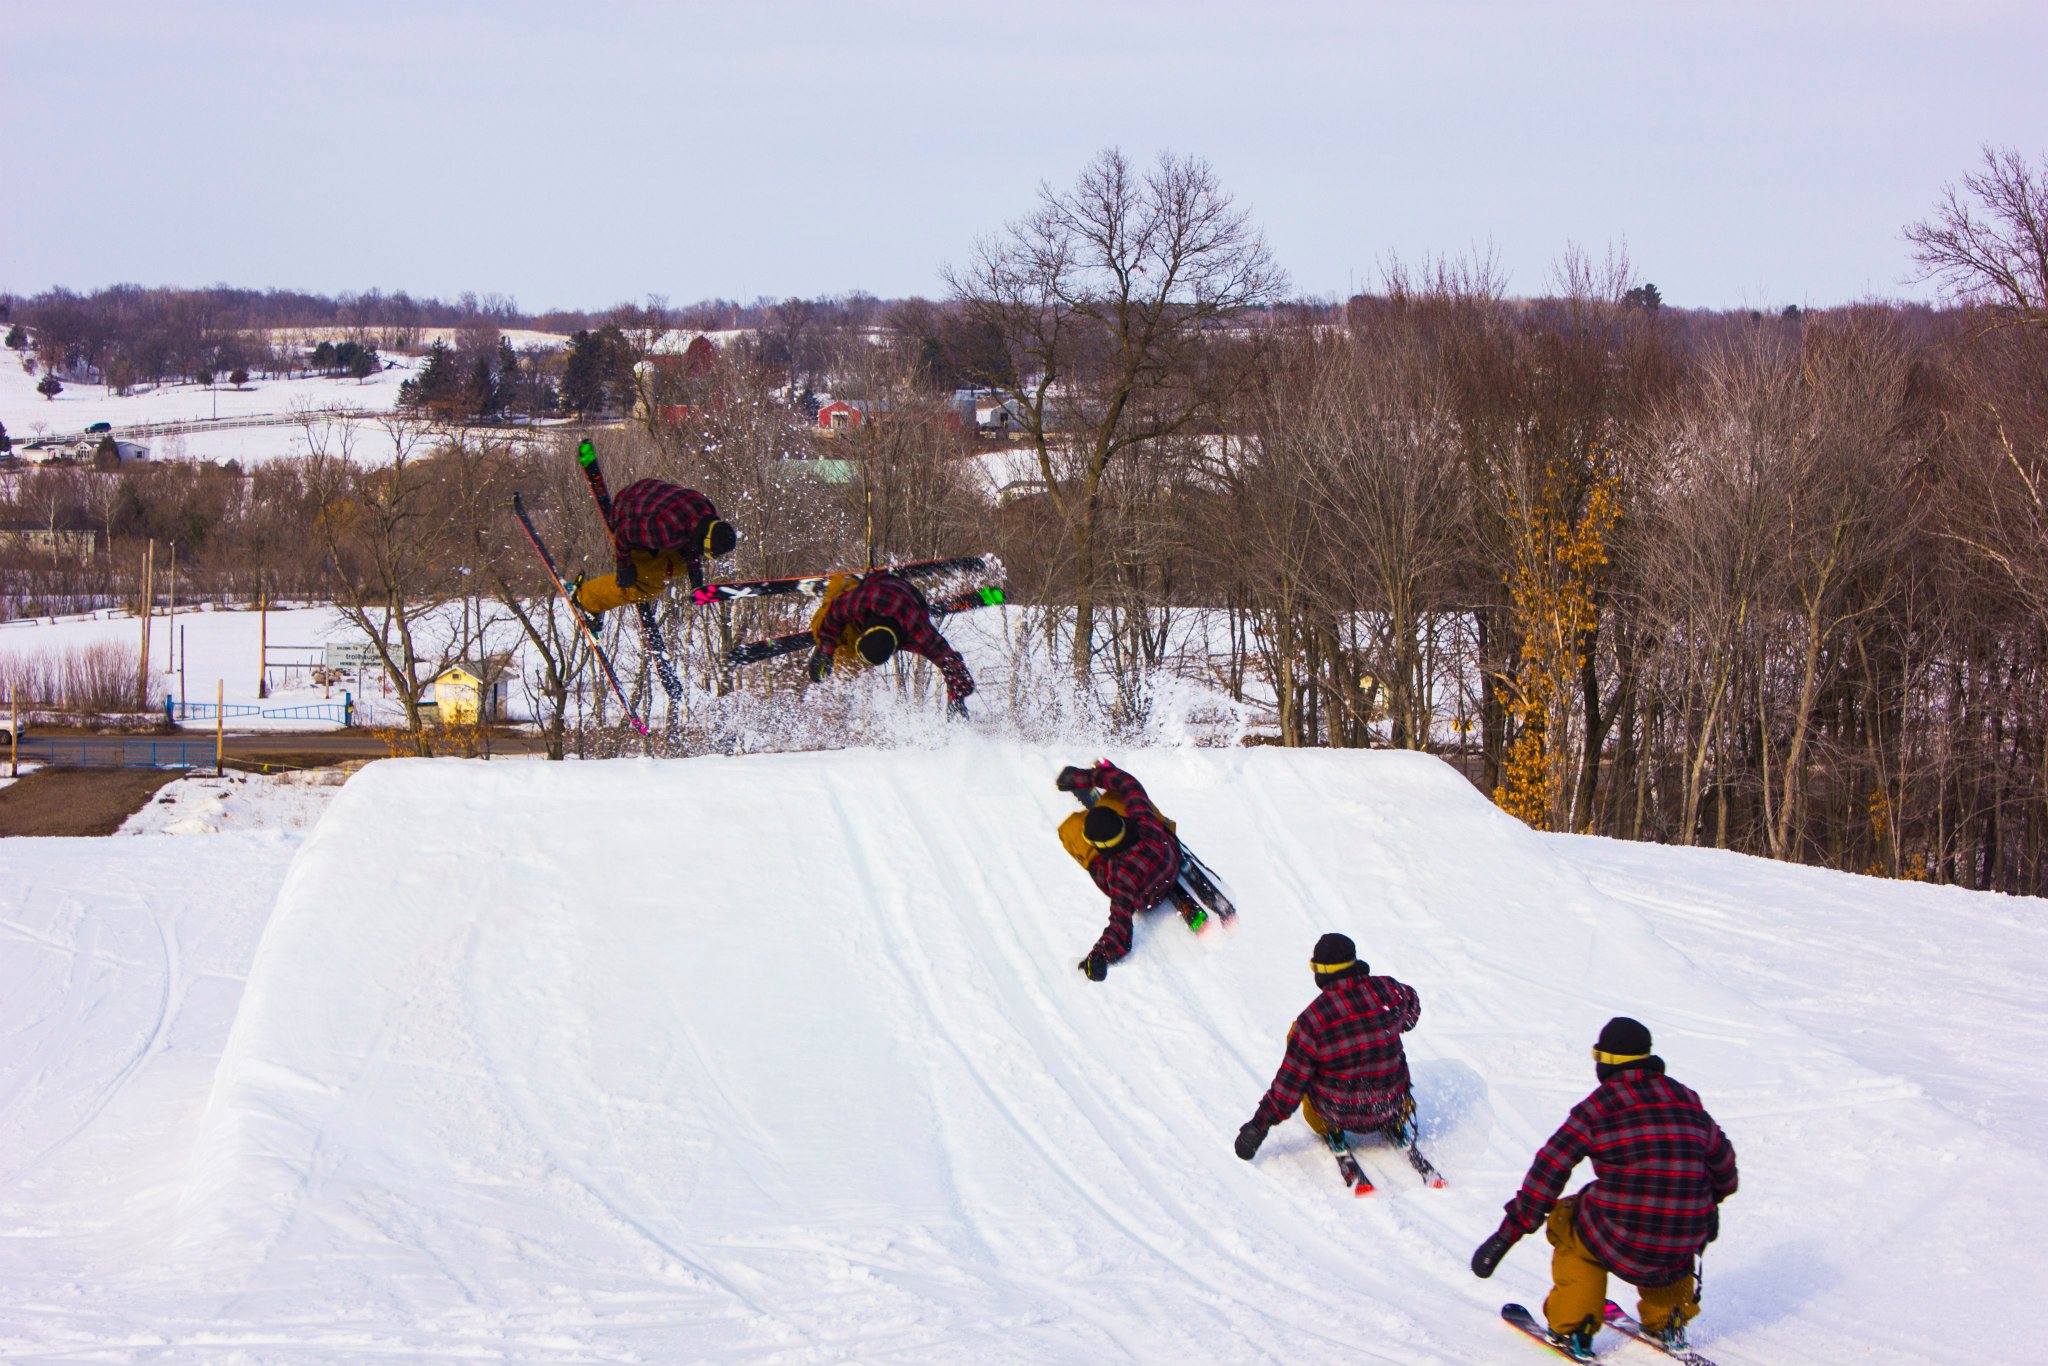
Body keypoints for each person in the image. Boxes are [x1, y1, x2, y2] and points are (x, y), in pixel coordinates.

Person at [1470, 1017, 1738, 1358]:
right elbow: (1725, 1168)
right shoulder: (1686, 1098)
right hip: (1684, 1238)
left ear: (1604, 1061)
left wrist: (1508, 1233)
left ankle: (1575, 1326)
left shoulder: (1598, 1107)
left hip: (1622, 1236)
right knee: (1669, 1218)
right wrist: (1706, 1207)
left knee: (1569, 1218)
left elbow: (1550, 1168)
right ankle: (1668, 1319)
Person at [1232, 933, 1420, 1161]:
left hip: (1339, 1113)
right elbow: (1412, 1008)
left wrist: (1257, 1127)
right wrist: (1387, 1028)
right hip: (1393, 1104)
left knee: (1299, 1042)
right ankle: (1393, 1119)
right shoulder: (1389, 990)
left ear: (1321, 972)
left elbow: (1288, 1089)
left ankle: (1329, 1128)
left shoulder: (1312, 1022)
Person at [1055, 761, 1183, 981]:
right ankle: (1109, 804)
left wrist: (1099, 957)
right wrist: (1083, 777)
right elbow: (1127, 783)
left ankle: (1085, 836)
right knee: (1124, 796)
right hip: (1169, 857)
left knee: (1070, 830)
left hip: (1147, 895)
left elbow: (1120, 930)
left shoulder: (1119, 877)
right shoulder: (1144, 822)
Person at [803, 571, 975, 717]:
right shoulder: (866, 600)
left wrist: (957, 700)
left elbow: (951, 663)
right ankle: (845, 582)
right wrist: (824, 650)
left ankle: (845, 647)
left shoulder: (918, 632)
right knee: (821, 626)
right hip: (873, 588)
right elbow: (835, 611)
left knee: (852, 659)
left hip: (910, 601)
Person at [571, 478, 736, 619]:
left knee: (681, 564)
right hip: (627, 510)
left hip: (647, 493)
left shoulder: (707, 510)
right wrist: (625, 567)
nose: (703, 556)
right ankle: (584, 598)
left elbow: (691, 540)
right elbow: (623, 532)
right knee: (646, 585)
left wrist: (695, 574)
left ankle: (659, 567)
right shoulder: (665, 530)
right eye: (706, 552)